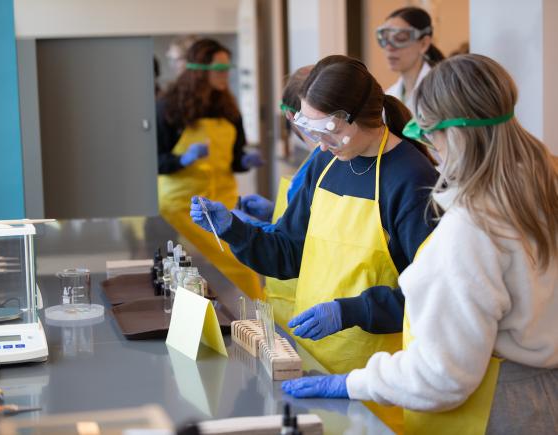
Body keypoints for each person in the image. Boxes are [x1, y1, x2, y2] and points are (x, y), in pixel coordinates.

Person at [282, 54, 558, 435]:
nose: (430, 148)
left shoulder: (473, 224)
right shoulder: (544, 184)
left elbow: (443, 375)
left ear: (451, 132)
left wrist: (352, 383)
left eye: (427, 133)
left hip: (493, 408)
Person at [191, 55, 439, 375]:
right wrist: (234, 229)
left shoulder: (411, 178)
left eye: (327, 132)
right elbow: (290, 254)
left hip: (377, 373)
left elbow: (431, 295)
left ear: (355, 117)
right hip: (309, 357)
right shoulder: (326, 164)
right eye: (311, 131)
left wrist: (352, 311)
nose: (320, 146)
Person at [157, 38, 264, 299]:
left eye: (228, 69)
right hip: (184, 206)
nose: (225, 75)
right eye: (219, 69)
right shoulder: (169, 107)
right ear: (199, 69)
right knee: (235, 264)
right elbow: (156, 162)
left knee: (245, 259)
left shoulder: (229, 108)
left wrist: (244, 161)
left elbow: (234, 158)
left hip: (223, 200)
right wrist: (183, 159)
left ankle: (250, 320)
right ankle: (257, 317)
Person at [231, 65, 317, 329]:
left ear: (291, 116)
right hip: (291, 296)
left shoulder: (320, 165)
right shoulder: (314, 161)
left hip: (302, 297)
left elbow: (303, 243)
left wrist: (242, 228)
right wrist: (274, 214)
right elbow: (307, 222)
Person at [378, 7, 444, 113]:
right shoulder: (390, 95)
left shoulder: (442, 90)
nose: (389, 47)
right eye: (385, 39)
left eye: (400, 38)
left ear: (424, 44)